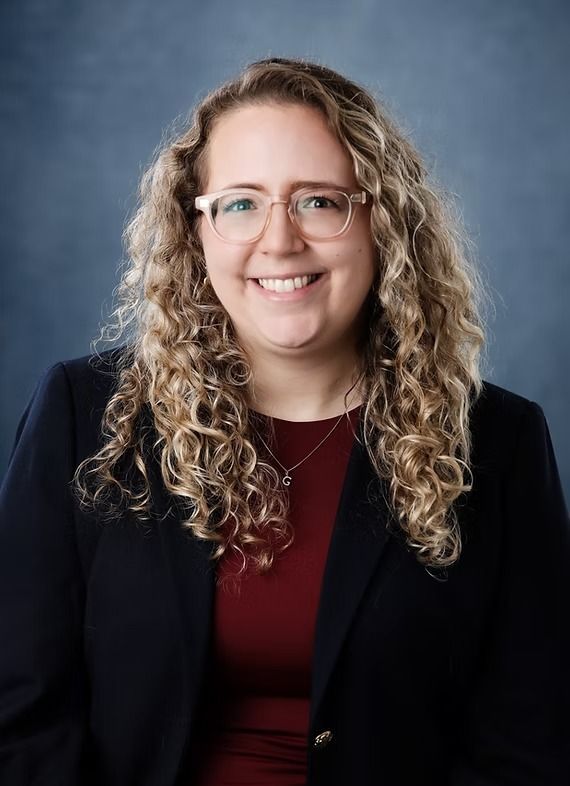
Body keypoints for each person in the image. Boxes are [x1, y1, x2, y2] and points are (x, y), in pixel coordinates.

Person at [0, 57, 568, 786]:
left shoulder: (500, 444)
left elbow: (527, 742)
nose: (279, 241)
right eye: (240, 203)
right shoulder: (85, 416)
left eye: (319, 202)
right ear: (194, 231)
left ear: (381, 223)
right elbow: (20, 713)